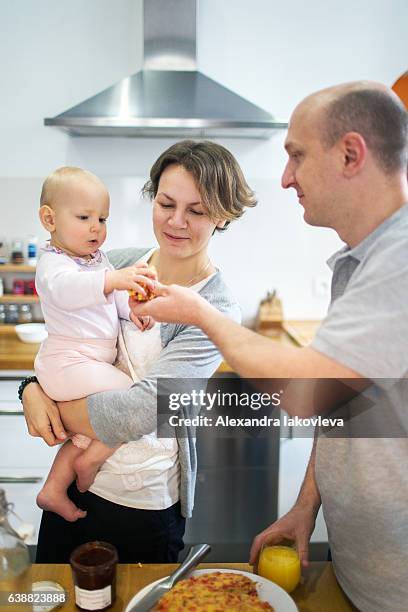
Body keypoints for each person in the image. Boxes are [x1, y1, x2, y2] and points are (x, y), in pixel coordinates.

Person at [129, 82, 408, 611]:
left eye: (296, 155)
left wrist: (199, 311)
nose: (285, 178)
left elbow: (305, 391)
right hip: (358, 568)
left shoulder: (401, 259)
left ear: (350, 153)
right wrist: (306, 505)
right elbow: (339, 402)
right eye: (167, 204)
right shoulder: (360, 261)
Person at [21, 140, 255, 563]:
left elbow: (146, 409)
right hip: (73, 488)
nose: (177, 221)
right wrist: (30, 389)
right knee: (47, 600)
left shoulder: (216, 309)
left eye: (197, 210)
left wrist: (53, 403)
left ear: (222, 216)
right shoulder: (115, 264)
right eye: (166, 203)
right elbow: (68, 337)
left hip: (142, 505)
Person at [34, 166, 156, 523]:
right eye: (84, 217)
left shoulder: (96, 260)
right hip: (68, 364)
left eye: (102, 218)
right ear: (49, 219)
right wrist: (113, 278)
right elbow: (72, 291)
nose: (96, 228)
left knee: (86, 430)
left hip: (83, 365)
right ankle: (91, 460)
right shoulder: (53, 265)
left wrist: (129, 310)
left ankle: (54, 489)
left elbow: (109, 297)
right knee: (132, 397)